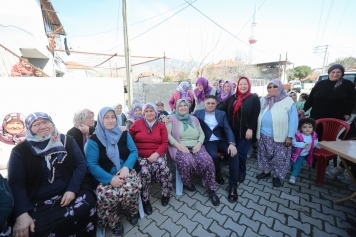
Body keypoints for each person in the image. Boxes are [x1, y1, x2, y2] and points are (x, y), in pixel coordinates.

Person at [8, 112, 96, 237]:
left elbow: (81, 165)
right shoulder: (20, 151)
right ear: (29, 128)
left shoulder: (66, 140)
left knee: (86, 205)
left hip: (69, 188)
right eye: (36, 124)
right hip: (37, 198)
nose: (42, 126)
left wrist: (72, 189)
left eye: (46, 122)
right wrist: (21, 213)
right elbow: (16, 183)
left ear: (52, 123)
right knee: (35, 227)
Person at [85, 107, 141, 236]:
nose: (110, 120)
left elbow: (134, 151)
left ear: (117, 118)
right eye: (106, 117)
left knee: (132, 187)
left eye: (113, 117)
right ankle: (114, 221)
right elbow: (92, 165)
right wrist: (110, 179)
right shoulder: (93, 140)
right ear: (100, 119)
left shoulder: (124, 133)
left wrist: (127, 167)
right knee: (106, 195)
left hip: (125, 170)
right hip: (104, 174)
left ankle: (133, 212)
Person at [167, 99, 220, 206]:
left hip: (196, 145)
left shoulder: (194, 119)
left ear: (188, 107)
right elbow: (167, 134)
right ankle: (187, 182)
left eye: (185, 105)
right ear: (177, 108)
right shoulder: (171, 118)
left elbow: (202, 133)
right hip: (179, 146)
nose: (183, 107)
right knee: (187, 161)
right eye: (180, 105)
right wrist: (179, 146)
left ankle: (212, 190)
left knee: (208, 161)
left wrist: (199, 144)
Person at [193, 95, 239, 202]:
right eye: (208, 103)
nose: (210, 105)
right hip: (208, 141)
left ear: (216, 104)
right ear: (204, 104)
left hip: (221, 140)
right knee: (212, 155)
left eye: (213, 103)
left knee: (234, 154)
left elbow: (227, 129)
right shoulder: (198, 113)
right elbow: (185, 117)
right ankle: (217, 172)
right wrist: (166, 118)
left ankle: (233, 186)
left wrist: (232, 143)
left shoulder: (221, 114)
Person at [129, 103, 173, 215]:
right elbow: (129, 137)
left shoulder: (161, 125)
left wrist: (156, 154)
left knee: (165, 170)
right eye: (147, 111)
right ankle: (146, 200)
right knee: (144, 173)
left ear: (155, 112)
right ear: (143, 113)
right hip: (141, 155)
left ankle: (165, 194)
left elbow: (164, 143)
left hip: (157, 154)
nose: (149, 113)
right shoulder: (137, 123)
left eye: (151, 111)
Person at [256, 79, 298, 187]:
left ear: (280, 87)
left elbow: (293, 120)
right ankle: (266, 172)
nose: (272, 89)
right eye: (269, 87)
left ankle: (276, 176)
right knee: (264, 155)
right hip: (263, 135)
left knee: (279, 158)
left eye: (275, 86)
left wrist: (290, 136)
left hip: (280, 136)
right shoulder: (264, 99)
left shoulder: (287, 101)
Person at [219, 77, 260, 184]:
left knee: (241, 153)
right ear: (237, 85)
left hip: (245, 132)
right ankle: (234, 171)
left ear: (249, 85)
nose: (243, 86)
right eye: (240, 84)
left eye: (245, 84)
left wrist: (250, 129)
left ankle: (241, 172)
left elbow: (255, 115)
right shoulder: (233, 97)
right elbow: (224, 108)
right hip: (233, 132)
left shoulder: (254, 98)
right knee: (233, 153)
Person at [289, 117, 320, 184]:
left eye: (310, 127)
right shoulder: (297, 135)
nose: (307, 129)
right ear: (300, 128)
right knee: (289, 164)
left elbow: (316, 144)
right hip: (293, 154)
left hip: (302, 155)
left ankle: (293, 177)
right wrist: (303, 145)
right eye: (304, 127)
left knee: (297, 166)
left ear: (313, 128)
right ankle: (281, 171)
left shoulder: (314, 136)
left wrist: (321, 145)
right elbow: (294, 143)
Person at [0, 113, 26, 178]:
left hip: (27, 181)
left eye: (19, 123)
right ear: (5, 124)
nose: (15, 126)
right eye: (11, 123)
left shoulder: (30, 141)